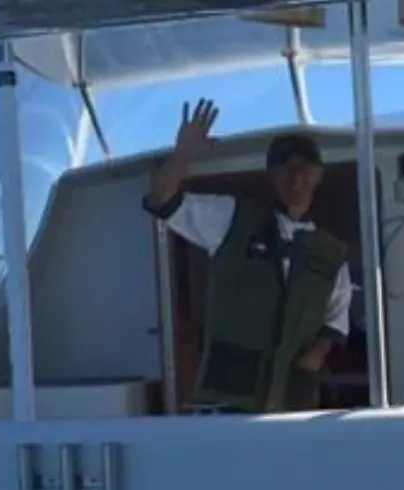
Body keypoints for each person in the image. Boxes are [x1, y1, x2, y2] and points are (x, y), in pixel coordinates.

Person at [143, 98, 351, 414]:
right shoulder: (231, 218)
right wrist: (183, 154)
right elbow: (160, 201)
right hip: (228, 398)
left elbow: (336, 320)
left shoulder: (331, 253)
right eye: (286, 169)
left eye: (304, 169)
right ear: (271, 175)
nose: (296, 178)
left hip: (294, 402)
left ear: (318, 175)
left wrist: (313, 357)